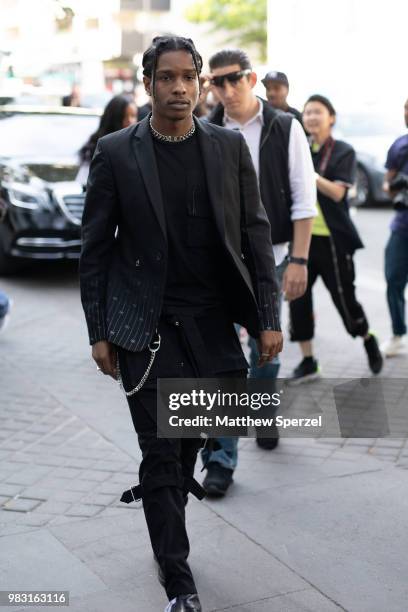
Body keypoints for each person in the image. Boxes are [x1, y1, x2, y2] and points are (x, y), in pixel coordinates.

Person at [79, 36, 282, 612]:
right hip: (145, 328)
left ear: (199, 83)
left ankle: (162, 506)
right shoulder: (118, 151)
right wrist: (98, 329)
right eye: (166, 78)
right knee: (164, 449)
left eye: (188, 77)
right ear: (147, 84)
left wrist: (267, 317)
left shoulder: (226, 147)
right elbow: (95, 248)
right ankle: (178, 579)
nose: (179, 88)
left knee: (192, 438)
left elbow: (255, 235)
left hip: (214, 325)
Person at [201, 48, 316, 496]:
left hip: (276, 256)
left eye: (234, 80)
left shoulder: (284, 126)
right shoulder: (206, 130)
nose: (226, 90)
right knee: (223, 359)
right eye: (217, 82)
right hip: (222, 262)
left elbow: (304, 200)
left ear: (251, 79)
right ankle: (221, 459)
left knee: (264, 349)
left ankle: (263, 414)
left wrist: (300, 261)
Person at [288, 94, 383, 382]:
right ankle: (308, 361)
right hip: (302, 239)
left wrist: (309, 173)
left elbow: (338, 193)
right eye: (307, 113)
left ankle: (366, 336)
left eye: (317, 112)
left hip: (333, 241)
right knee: (297, 299)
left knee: (345, 302)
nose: (311, 117)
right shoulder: (300, 147)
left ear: (332, 117)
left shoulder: (343, 151)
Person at [381, 98, 408, 357]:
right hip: (402, 225)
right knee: (393, 279)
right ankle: (398, 333)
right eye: (406, 109)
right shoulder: (399, 145)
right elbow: (386, 186)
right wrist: (396, 186)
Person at [76, 95, 137, 186]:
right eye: (124, 116)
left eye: (133, 116)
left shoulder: (138, 145)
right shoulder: (99, 147)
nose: (130, 121)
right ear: (113, 119)